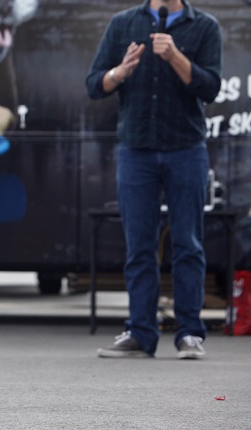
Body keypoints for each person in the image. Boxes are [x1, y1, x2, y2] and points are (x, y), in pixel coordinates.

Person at [85, 0, 222, 359]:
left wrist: (175, 57)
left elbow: (211, 88)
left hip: (185, 148)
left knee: (188, 243)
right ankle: (141, 333)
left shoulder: (205, 26)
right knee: (139, 246)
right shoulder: (122, 24)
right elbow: (93, 84)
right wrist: (120, 71)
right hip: (137, 150)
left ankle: (190, 333)